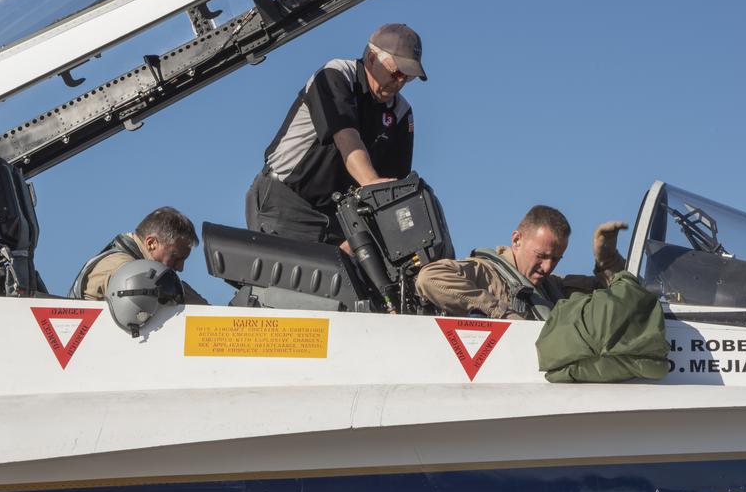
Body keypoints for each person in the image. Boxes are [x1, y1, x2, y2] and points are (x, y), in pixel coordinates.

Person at [246, 23, 426, 246]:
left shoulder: (400, 113)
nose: (400, 82)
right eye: (396, 72)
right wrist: (370, 182)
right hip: (285, 203)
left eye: (408, 77)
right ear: (371, 58)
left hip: (340, 216)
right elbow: (347, 138)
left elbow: (391, 186)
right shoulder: (336, 75)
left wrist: (358, 239)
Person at [415, 205, 627, 320]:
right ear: (516, 240)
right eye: (541, 256)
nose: (547, 267)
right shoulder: (486, 272)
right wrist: (501, 312)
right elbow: (430, 277)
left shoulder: (552, 287)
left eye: (555, 259)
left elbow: (615, 295)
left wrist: (607, 259)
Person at [71, 206, 208, 305]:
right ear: (151, 243)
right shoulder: (121, 267)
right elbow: (160, 295)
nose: (180, 267)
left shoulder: (145, 270)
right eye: (175, 257)